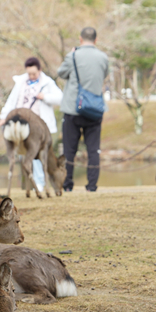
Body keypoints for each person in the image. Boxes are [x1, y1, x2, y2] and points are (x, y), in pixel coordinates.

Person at [0, 56, 63, 194]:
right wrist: (4, 117)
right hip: (22, 122)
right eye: (29, 73)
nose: (32, 76)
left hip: (39, 125)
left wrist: (44, 96)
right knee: (25, 154)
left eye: (34, 73)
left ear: (40, 70)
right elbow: (11, 101)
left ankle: (39, 184)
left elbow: (59, 97)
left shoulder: (47, 83)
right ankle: (29, 184)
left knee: (38, 154)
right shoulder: (21, 82)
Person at [56, 26, 110, 192]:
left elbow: (61, 73)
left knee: (69, 149)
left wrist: (72, 56)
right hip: (94, 109)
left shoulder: (72, 56)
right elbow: (104, 75)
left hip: (73, 108)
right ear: (96, 40)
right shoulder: (103, 57)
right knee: (94, 149)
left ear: (80, 39)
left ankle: (67, 185)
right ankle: (92, 186)